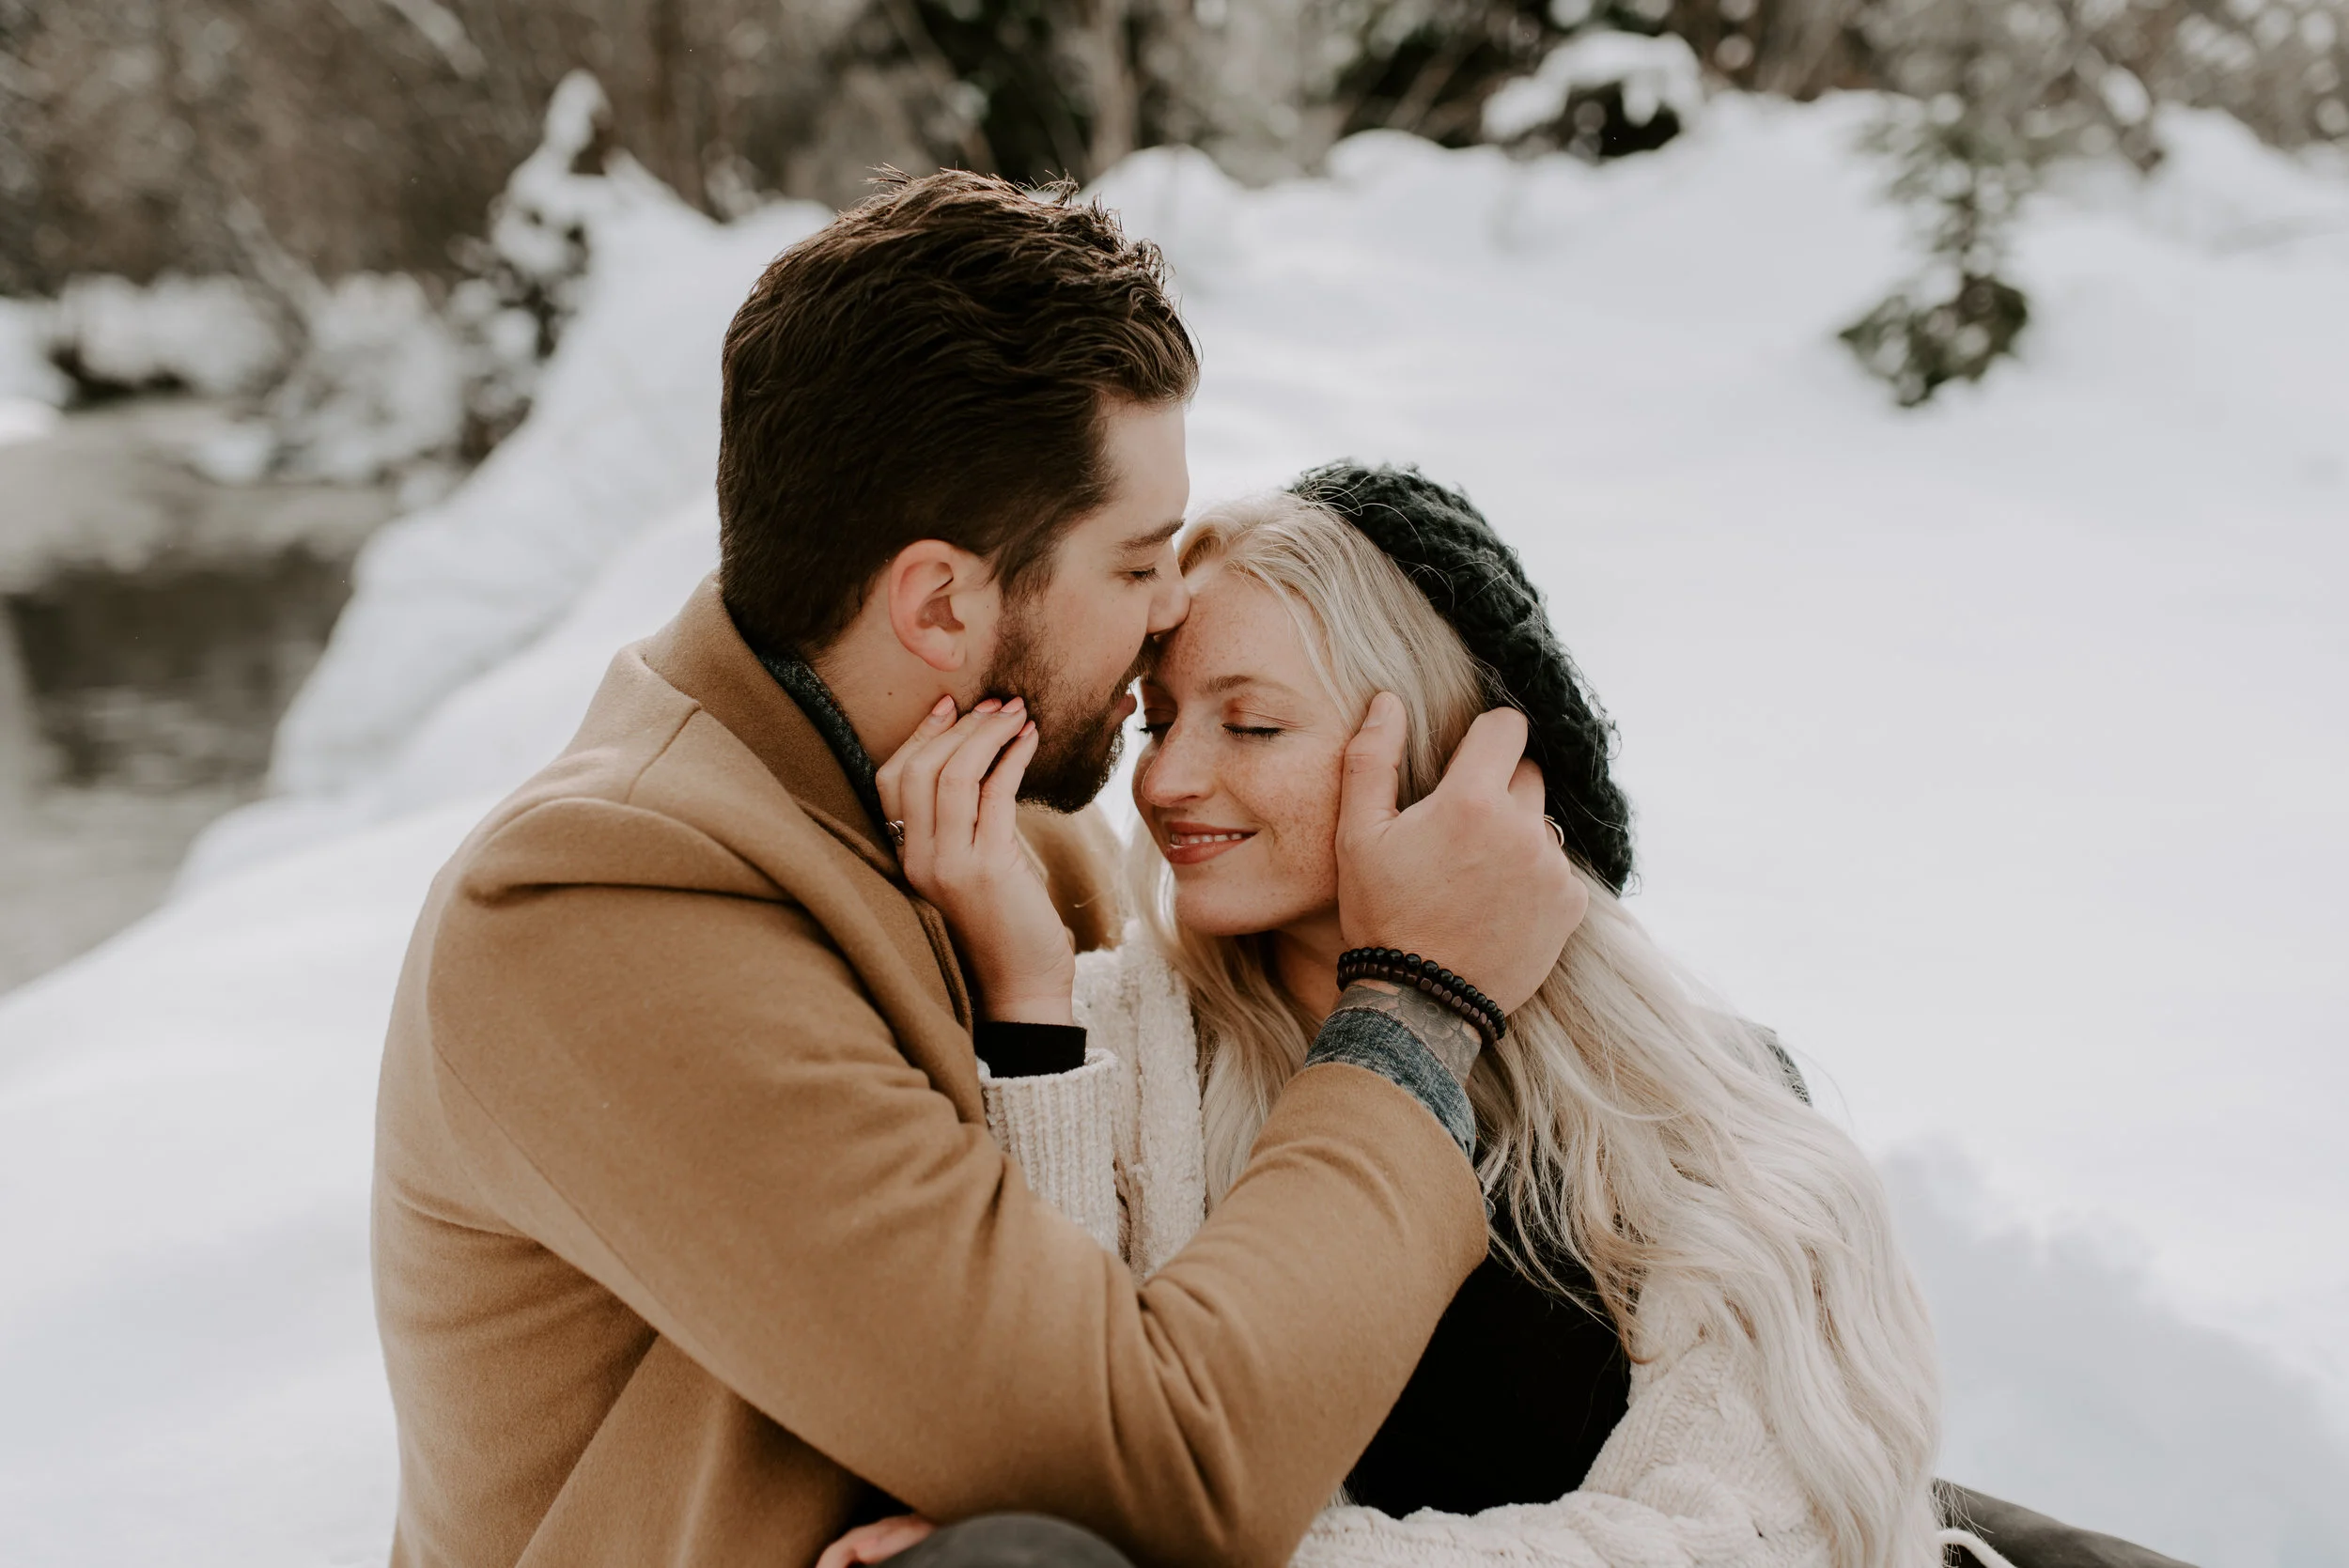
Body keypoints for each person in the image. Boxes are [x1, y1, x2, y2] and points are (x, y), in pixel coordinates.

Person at [370, 173, 1586, 1568]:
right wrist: (1417, 1007)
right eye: (1136, 565)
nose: (1173, 612)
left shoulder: (1014, 835)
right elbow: (1165, 1472)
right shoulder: (593, 916)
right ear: (942, 601)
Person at [869, 469, 2197, 1568]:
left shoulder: (1696, 1108)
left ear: (1458, 758)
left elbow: (1736, 1543)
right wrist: (1031, 1008)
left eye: (1254, 724)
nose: (1168, 780)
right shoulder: (1109, 1044)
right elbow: (1059, 1454)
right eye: (1163, 720)